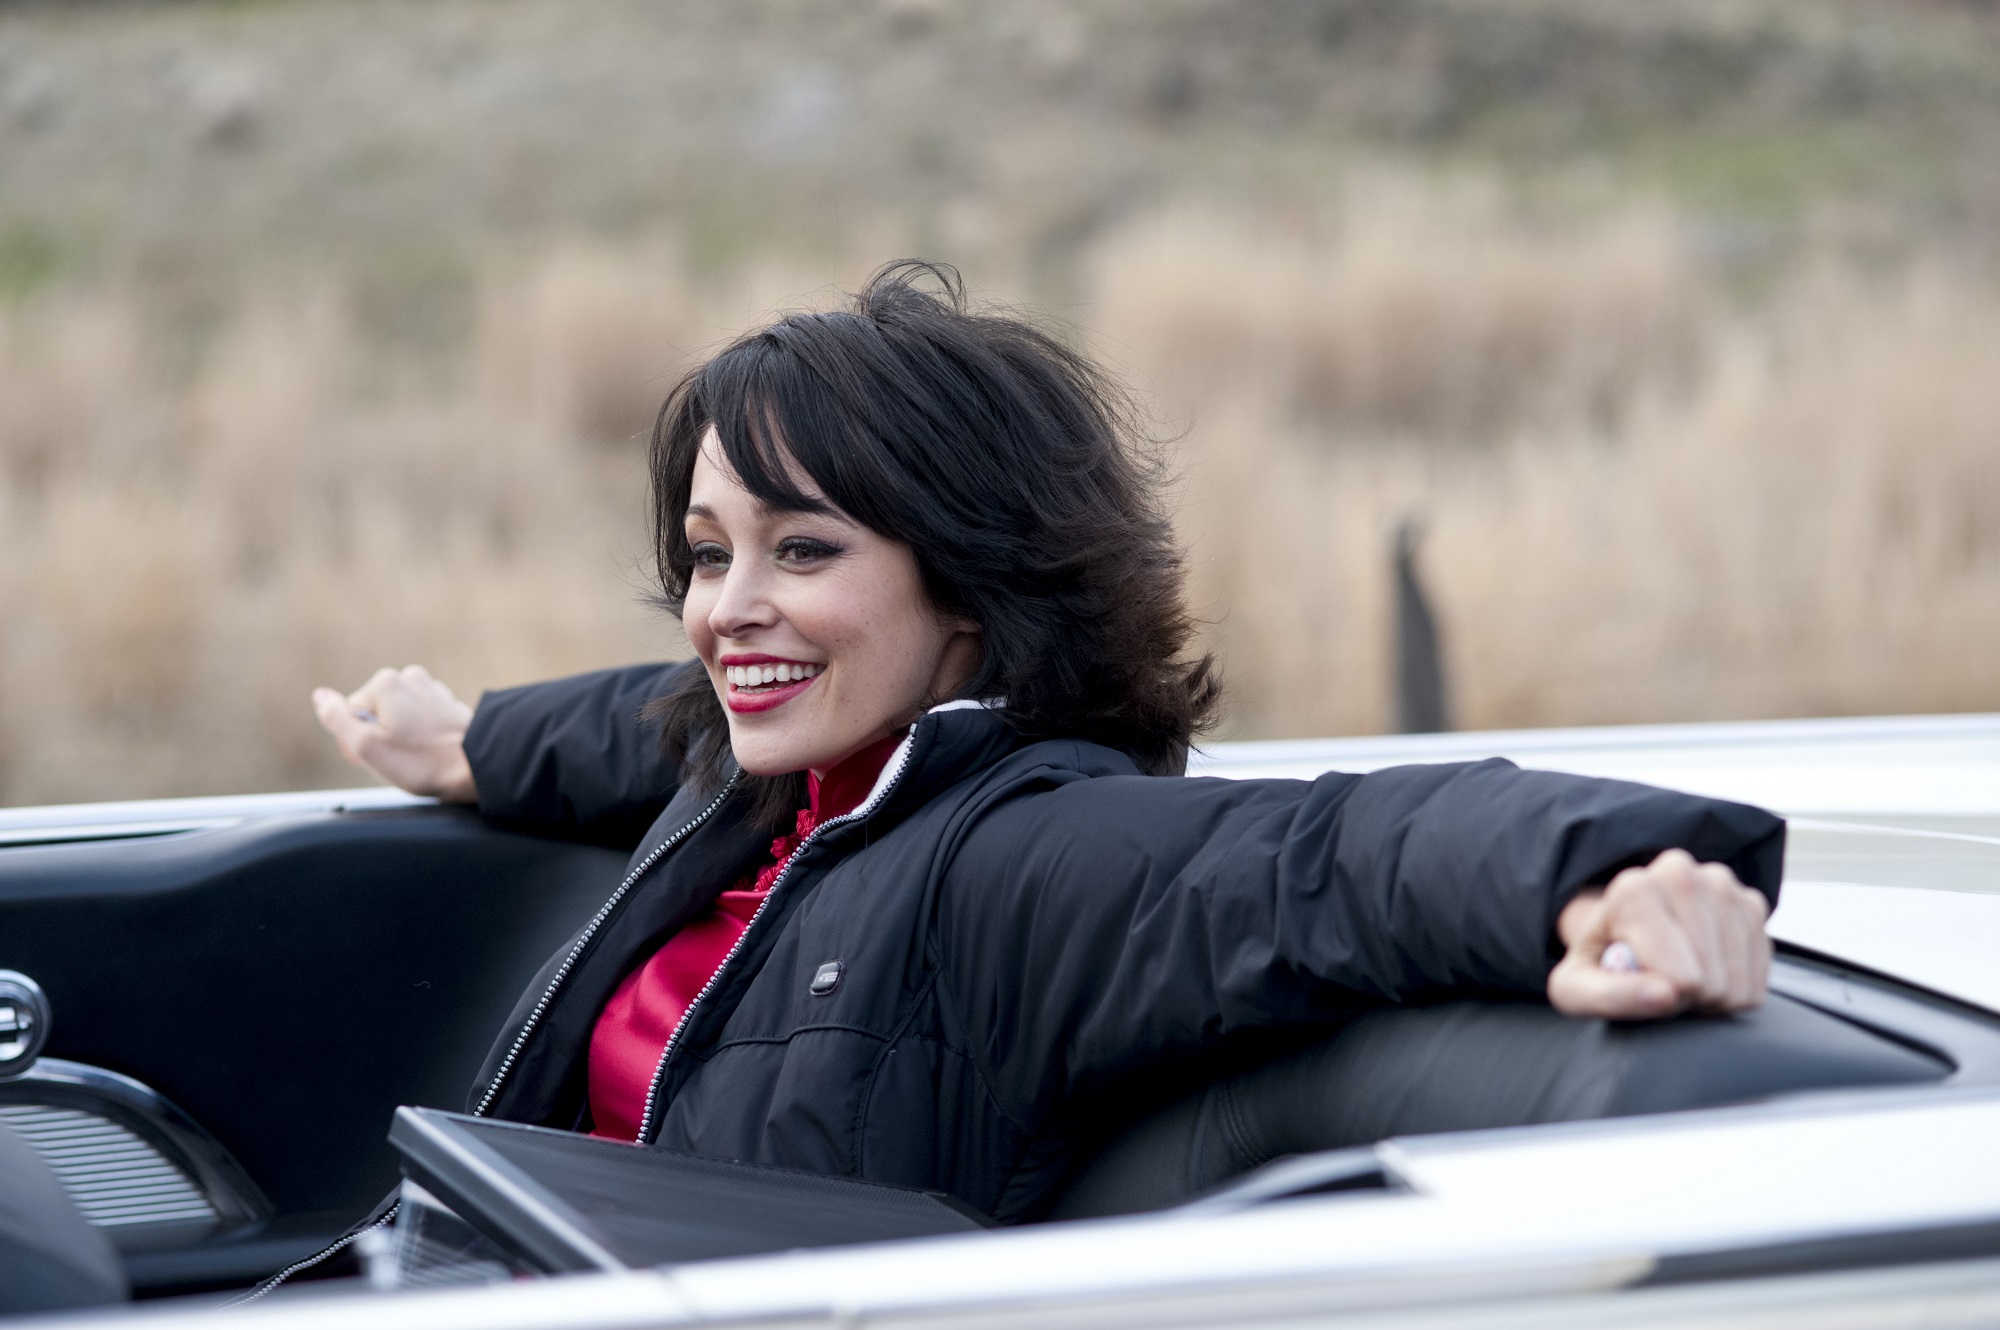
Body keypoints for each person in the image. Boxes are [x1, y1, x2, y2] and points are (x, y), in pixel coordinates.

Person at [311, 261, 1778, 1226]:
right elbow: (644, 720)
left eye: (803, 549)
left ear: (971, 580)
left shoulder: (1024, 852)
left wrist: (1611, 879)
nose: (726, 611)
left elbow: (1319, 858)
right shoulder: (765, 772)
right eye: (707, 553)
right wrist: (477, 742)